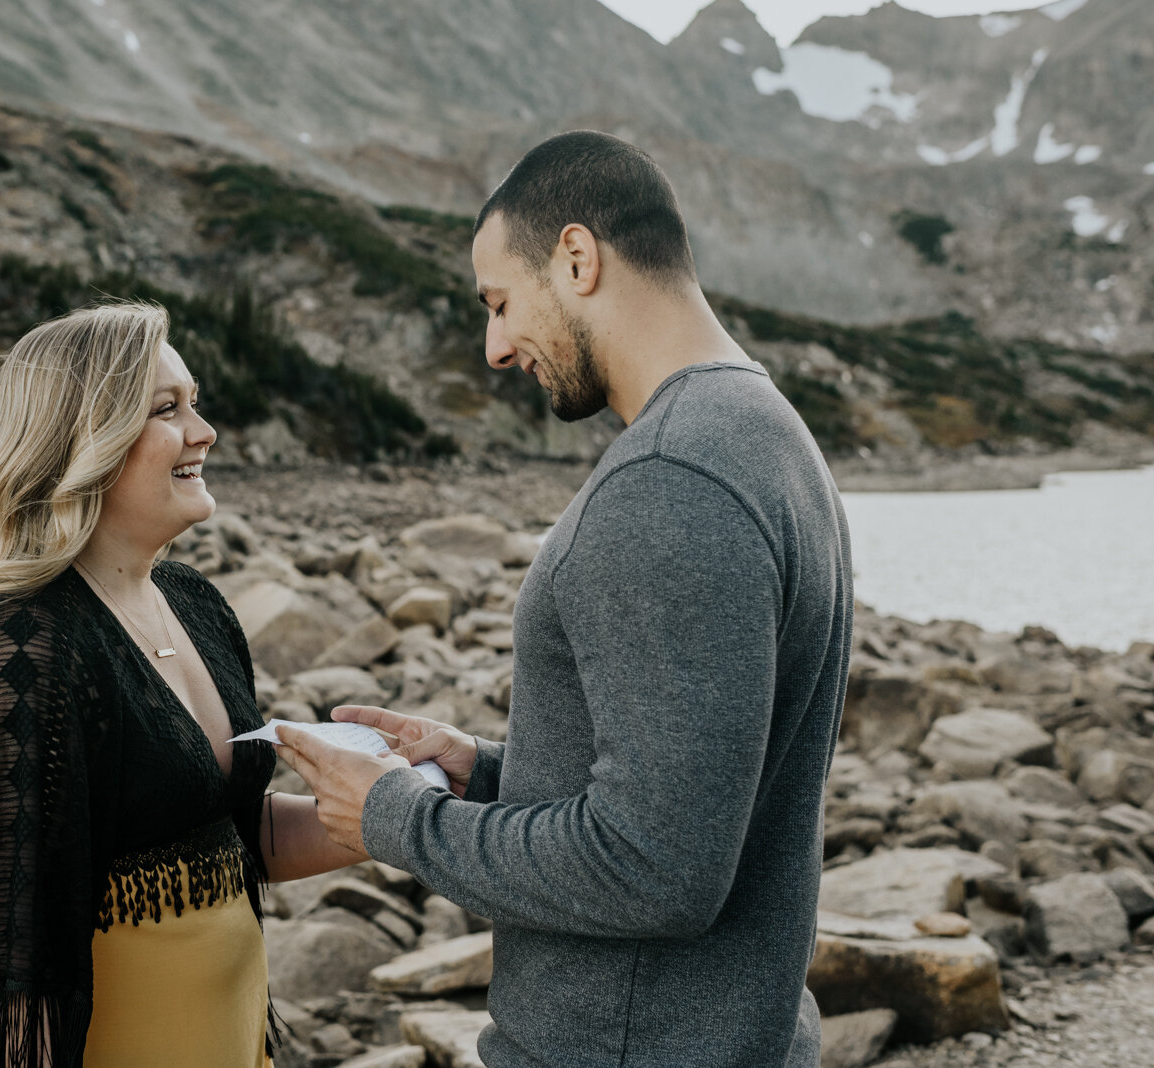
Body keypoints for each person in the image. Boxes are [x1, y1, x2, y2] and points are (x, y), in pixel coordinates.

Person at [275, 130, 853, 1067]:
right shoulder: (764, 431)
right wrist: (487, 774)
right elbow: (701, 790)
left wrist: (396, 818)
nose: (496, 348)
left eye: (500, 303)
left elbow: (656, 872)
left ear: (577, 258)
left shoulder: (670, 478)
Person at [0, 302, 366, 1067]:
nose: (204, 432)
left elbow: (231, 840)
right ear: (84, 442)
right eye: (167, 409)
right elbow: (6, 956)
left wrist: (408, 806)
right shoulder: (20, 643)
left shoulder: (195, 603)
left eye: (194, 403)